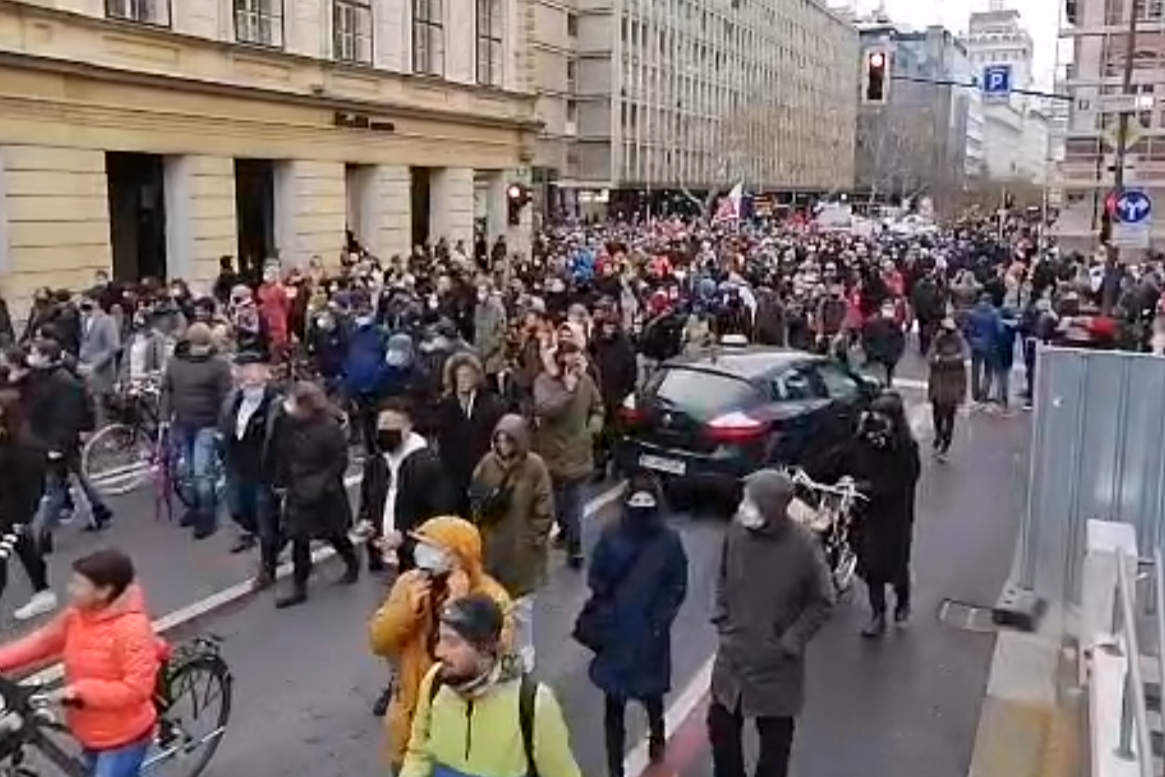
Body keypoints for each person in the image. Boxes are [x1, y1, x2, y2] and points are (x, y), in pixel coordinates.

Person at [707, 469, 834, 777]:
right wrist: (722, 614)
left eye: (753, 502)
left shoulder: (803, 547)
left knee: (774, 749)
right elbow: (724, 573)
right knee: (722, 731)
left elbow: (822, 600)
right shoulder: (737, 531)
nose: (744, 508)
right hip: (733, 656)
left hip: (776, 667)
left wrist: (791, 640)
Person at [0, 549, 165, 777]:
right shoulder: (77, 615)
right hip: (89, 728)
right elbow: (40, 644)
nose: (69, 589)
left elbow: (137, 690)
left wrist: (80, 692)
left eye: (78, 585)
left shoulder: (132, 630)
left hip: (123, 737)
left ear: (103, 591)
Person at [368, 516, 513, 771]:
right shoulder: (409, 584)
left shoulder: (491, 597)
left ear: (459, 555)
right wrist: (406, 610)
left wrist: (459, 607)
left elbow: (498, 653)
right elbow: (379, 641)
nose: (423, 553)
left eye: (432, 547)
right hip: (411, 716)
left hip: (465, 720)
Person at [399, 593, 582, 777]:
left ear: (484, 648)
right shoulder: (435, 682)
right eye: (440, 639)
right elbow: (419, 753)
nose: (439, 651)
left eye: (452, 643)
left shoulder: (533, 702)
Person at [586, 473, 688, 777]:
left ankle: (657, 733)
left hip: (649, 635)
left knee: (651, 695)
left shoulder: (669, 542)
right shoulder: (612, 534)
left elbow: (677, 585)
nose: (641, 506)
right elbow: (597, 576)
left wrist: (660, 620)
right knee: (613, 705)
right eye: (636, 500)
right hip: (617, 633)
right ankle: (615, 768)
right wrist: (606, 610)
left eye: (647, 500)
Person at [823, 395, 920, 637]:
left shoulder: (905, 448)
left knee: (896, 565)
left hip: (894, 518)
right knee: (871, 567)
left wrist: (865, 486)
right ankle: (878, 614)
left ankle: (903, 600)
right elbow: (842, 459)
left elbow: (901, 482)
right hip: (865, 513)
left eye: (881, 417)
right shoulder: (864, 439)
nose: (875, 422)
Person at [469, 414, 554, 671]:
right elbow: (475, 495)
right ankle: (496, 652)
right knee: (493, 606)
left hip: (521, 552)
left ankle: (524, 655)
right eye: (499, 439)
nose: (503, 445)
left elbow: (544, 504)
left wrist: (534, 538)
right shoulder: (487, 464)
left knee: (521, 609)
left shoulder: (534, 467)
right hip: (492, 548)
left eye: (509, 440)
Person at [271, 381, 360, 608]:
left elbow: (339, 461)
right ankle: (299, 586)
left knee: (334, 534)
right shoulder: (288, 425)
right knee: (299, 538)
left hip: (323, 493)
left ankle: (352, 562)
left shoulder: (328, 428)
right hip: (298, 490)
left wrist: (321, 485)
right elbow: (281, 453)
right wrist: (281, 480)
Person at [20, 338, 115, 536]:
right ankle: (99, 509)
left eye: (35, 353)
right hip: (51, 439)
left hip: (59, 441)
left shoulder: (63, 382)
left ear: (46, 357)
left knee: (55, 487)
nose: (30, 357)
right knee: (77, 474)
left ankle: (43, 535)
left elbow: (66, 417)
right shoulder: (43, 376)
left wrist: (57, 446)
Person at [357, 398, 456, 572]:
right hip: (383, 557)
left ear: (408, 427)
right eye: (382, 426)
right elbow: (367, 502)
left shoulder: (428, 464)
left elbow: (439, 512)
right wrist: (366, 524)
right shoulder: (375, 463)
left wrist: (405, 535)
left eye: (392, 425)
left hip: (418, 560)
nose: (386, 431)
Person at [534, 341, 604, 569]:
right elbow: (545, 408)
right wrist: (568, 391)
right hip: (550, 453)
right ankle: (562, 532)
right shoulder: (544, 381)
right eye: (568, 357)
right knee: (553, 504)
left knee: (573, 503)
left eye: (577, 356)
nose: (573, 362)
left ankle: (575, 548)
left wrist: (591, 429)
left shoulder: (586, 381)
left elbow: (597, 407)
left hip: (577, 452)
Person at [160, 323, 233, 539]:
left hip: (207, 424)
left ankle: (206, 515)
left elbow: (225, 398)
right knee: (189, 472)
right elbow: (167, 390)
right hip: (184, 423)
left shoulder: (218, 365)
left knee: (202, 473)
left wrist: (222, 426)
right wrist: (164, 417)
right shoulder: (175, 364)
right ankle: (196, 507)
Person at [217, 352, 283, 586]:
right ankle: (271, 538)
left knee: (266, 520)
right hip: (237, 468)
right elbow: (225, 429)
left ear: (266, 373)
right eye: (244, 370)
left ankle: (268, 568)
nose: (249, 376)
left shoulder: (276, 403)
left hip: (264, 471)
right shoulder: (233, 400)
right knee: (238, 511)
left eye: (254, 369)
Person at [0, 390, 53, 619]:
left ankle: (43, 592)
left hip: (11, 514)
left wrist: (20, 518)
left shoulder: (23, 447)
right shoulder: (9, 439)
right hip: (8, 512)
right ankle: (43, 592)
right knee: (26, 550)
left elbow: (31, 488)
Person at [435, 353, 504, 515]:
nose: (464, 380)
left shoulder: (492, 404)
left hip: (482, 471)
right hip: (453, 474)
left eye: (468, 375)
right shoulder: (445, 405)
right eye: (460, 376)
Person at [926, 317, 969, 460]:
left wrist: (942, 359)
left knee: (947, 416)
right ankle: (940, 438)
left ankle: (944, 443)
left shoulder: (958, 341)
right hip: (941, 384)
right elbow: (931, 358)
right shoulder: (940, 340)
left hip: (948, 384)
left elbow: (961, 357)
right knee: (940, 415)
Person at [78, 291, 121, 427]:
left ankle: (103, 436)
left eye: (87, 300)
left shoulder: (108, 321)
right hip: (84, 369)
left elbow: (113, 347)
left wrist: (94, 365)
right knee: (90, 405)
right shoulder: (83, 320)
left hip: (102, 371)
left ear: (96, 302)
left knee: (100, 407)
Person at [965, 292, 1002, 404]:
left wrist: (971, 340)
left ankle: (975, 393)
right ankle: (984, 394)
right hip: (990, 345)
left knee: (975, 370)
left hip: (975, 344)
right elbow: (999, 330)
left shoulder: (973, 312)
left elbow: (966, 329)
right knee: (988, 371)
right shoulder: (995, 313)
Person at [861, 300, 905, 387]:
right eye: (886, 308)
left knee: (887, 382)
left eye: (891, 309)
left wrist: (896, 356)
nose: (889, 311)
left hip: (890, 360)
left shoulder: (895, 325)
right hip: (877, 359)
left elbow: (900, 341)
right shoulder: (873, 323)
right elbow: (865, 340)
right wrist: (872, 353)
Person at [473, 279, 507, 387]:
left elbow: (502, 330)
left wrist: (491, 346)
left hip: (494, 352)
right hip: (480, 350)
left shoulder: (498, 308)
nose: (480, 294)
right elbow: (477, 330)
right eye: (479, 291)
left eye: (483, 291)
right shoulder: (477, 308)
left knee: (492, 381)